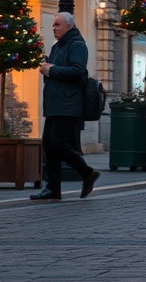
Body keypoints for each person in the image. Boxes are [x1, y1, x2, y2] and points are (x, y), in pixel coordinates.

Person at [30, 12, 100, 202]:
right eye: (53, 25)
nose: (54, 28)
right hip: (55, 104)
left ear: (69, 26)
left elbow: (78, 71)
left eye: (58, 25)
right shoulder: (56, 47)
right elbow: (56, 71)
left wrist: (52, 69)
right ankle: (53, 188)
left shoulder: (77, 45)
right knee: (49, 144)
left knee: (57, 143)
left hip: (68, 104)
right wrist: (47, 68)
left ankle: (86, 172)